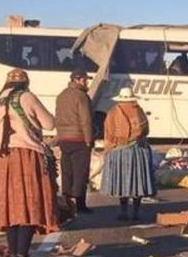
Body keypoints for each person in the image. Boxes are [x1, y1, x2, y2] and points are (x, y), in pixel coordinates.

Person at [0, 68, 59, 257]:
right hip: (24, 155)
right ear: (25, 82)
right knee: (30, 204)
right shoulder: (26, 97)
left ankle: (14, 256)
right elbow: (49, 123)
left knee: (11, 209)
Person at [101, 87, 157, 221]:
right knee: (138, 181)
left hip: (119, 151)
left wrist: (109, 148)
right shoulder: (138, 111)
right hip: (137, 151)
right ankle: (136, 212)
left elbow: (109, 133)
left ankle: (123, 210)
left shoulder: (113, 112)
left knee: (123, 181)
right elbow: (145, 130)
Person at [55, 68, 94, 214]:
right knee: (80, 172)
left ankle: (67, 201)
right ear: (76, 80)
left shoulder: (61, 95)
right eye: (84, 79)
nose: (86, 82)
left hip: (64, 139)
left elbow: (57, 117)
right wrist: (89, 140)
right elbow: (86, 120)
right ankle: (80, 204)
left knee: (67, 171)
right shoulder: (81, 96)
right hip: (79, 139)